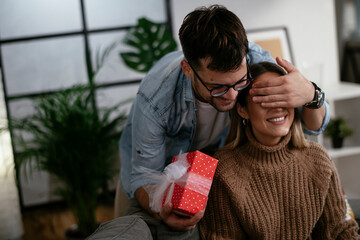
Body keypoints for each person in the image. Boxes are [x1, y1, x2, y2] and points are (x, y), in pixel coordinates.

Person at [87, 4, 330, 240]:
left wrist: (312, 94)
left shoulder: (256, 62)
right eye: (217, 87)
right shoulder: (156, 100)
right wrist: (162, 209)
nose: (233, 96)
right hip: (156, 174)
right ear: (188, 69)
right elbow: (143, 175)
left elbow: (312, 126)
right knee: (137, 227)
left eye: (239, 82)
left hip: (216, 168)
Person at [199, 61, 360, 239]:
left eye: (283, 98)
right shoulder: (225, 170)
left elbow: (339, 231)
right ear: (243, 110)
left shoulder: (318, 159)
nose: (277, 107)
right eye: (265, 100)